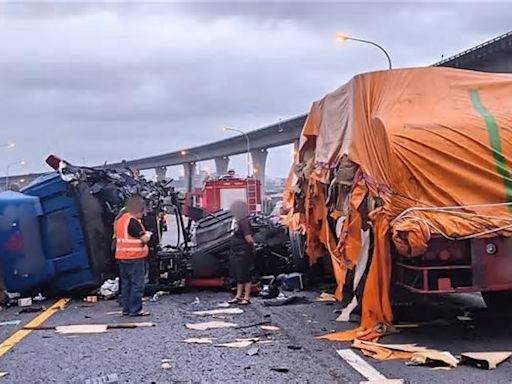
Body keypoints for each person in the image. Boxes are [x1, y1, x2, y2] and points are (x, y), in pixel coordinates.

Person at [114, 195, 152, 316]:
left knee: (126, 285)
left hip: (122, 257)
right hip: (134, 257)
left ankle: (126, 309)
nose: (144, 214)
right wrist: (149, 234)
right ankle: (135, 310)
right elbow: (144, 239)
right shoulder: (133, 222)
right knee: (137, 284)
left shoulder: (121, 220)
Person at [228, 201, 255, 305]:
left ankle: (246, 297)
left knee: (245, 274)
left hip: (243, 251)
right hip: (239, 251)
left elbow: (248, 237)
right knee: (240, 274)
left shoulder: (243, 221)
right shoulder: (239, 220)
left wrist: (253, 244)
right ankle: (239, 296)